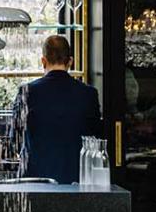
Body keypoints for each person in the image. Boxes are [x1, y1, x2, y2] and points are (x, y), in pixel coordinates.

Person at [11, 34, 103, 185]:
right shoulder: (88, 94)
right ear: (70, 61)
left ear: (43, 61)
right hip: (76, 181)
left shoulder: (26, 92)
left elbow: (14, 139)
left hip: (34, 181)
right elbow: (96, 138)